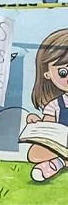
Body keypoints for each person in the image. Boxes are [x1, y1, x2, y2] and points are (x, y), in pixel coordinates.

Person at [25, 28, 68, 183]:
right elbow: (49, 130)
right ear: (47, 74)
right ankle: (60, 161)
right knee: (34, 153)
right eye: (63, 72)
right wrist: (38, 124)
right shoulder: (54, 105)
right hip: (61, 146)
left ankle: (57, 163)